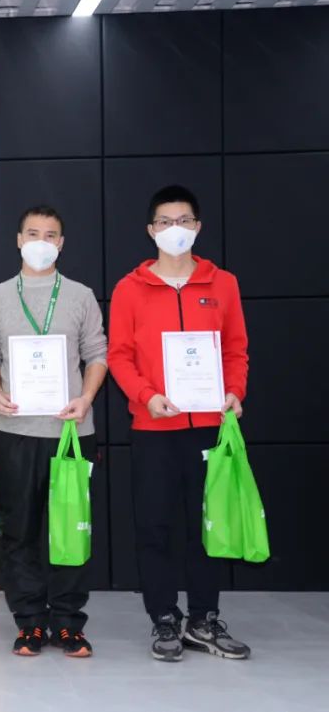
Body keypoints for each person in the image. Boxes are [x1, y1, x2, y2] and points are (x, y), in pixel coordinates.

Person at [108, 185, 250, 662]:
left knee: (208, 525)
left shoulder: (223, 284)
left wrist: (235, 392)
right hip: (154, 429)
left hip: (210, 426)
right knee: (156, 525)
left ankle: (203, 619)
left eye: (184, 221)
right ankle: (164, 618)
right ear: (151, 230)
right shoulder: (129, 288)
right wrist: (146, 396)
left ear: (198, 227)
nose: (176, 230)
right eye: (166, 222)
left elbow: (236, 350)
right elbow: (119, 356)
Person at [0, 205, 107, 658]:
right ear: (18, 240)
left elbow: (98, 354)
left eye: (50, 234)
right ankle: (29, 621)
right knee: (19, 531)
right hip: (15, 429)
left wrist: (85, 398)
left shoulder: (80, 295)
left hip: (71, 429)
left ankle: (68, 622)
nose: (41, 241)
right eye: (33, 233)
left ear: (61, 243)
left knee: (71, 526)